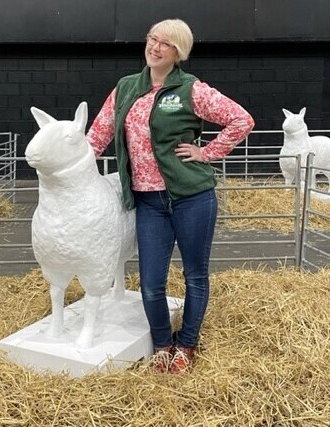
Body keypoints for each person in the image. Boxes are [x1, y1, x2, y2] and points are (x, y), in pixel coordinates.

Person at [86, 18, 254, 373]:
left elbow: (241, 120)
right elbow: (97, 136)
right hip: (148, 201)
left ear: (178, 51)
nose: (154, 47)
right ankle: (163, 343)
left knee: (194, 275)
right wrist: (70, 169)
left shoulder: (191, 90)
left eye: (164, 42)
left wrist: (205, 153)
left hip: (192, 196)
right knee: (150, 281)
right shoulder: (126, 88)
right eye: (150, 39)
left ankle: (186, 345)